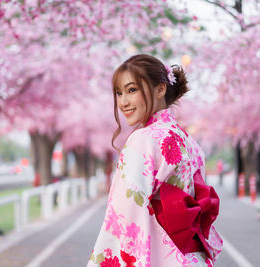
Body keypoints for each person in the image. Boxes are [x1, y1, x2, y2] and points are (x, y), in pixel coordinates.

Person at [88, 54, 223, 267]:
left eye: (132, 90)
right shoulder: (189, 141)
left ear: (160, 89)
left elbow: (125, 213)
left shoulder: (143, 140)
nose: (123, 102)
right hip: (192, 259)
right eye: (119, 93)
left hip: (162, 257)